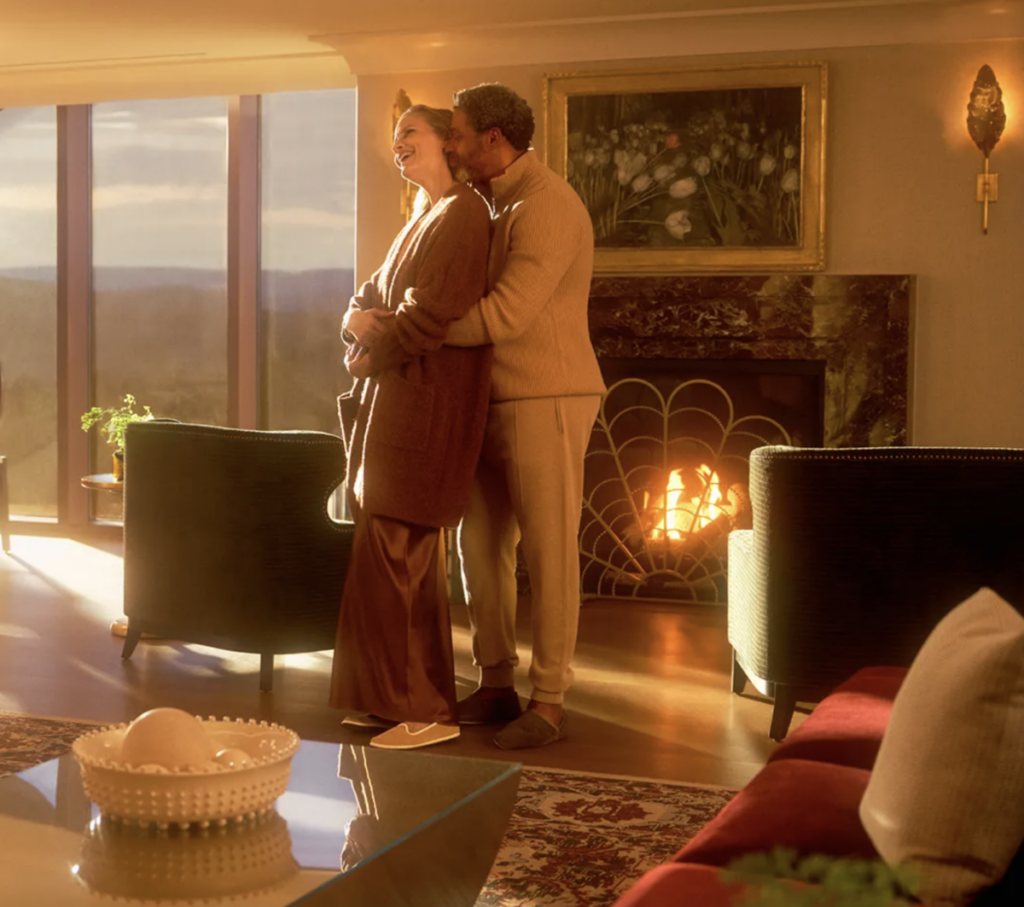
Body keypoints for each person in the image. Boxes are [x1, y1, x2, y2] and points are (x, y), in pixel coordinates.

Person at [442, 83, 606, 749]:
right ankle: (495, 680)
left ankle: (552, 700)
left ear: (493, 139)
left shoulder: (549, 207)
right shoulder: (483, 203)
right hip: (487, 398)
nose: (450, 146)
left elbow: (506, 314)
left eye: (456, 134)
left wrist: (412, 332)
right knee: (477, 544)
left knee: (548, 549)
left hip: (549, 396)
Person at [329, 104, 493, 751]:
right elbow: (366, 294)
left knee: (403, 551)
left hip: (426, 406)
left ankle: (428, 708)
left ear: (447, 144)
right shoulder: (418, 218)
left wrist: (368, 349)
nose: (398, 145)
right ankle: (381, 698)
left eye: (411, 134)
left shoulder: (464, 215)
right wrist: (354, 324)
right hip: (392, 402)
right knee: (378, 550)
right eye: (395, 137)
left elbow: (429, 317)